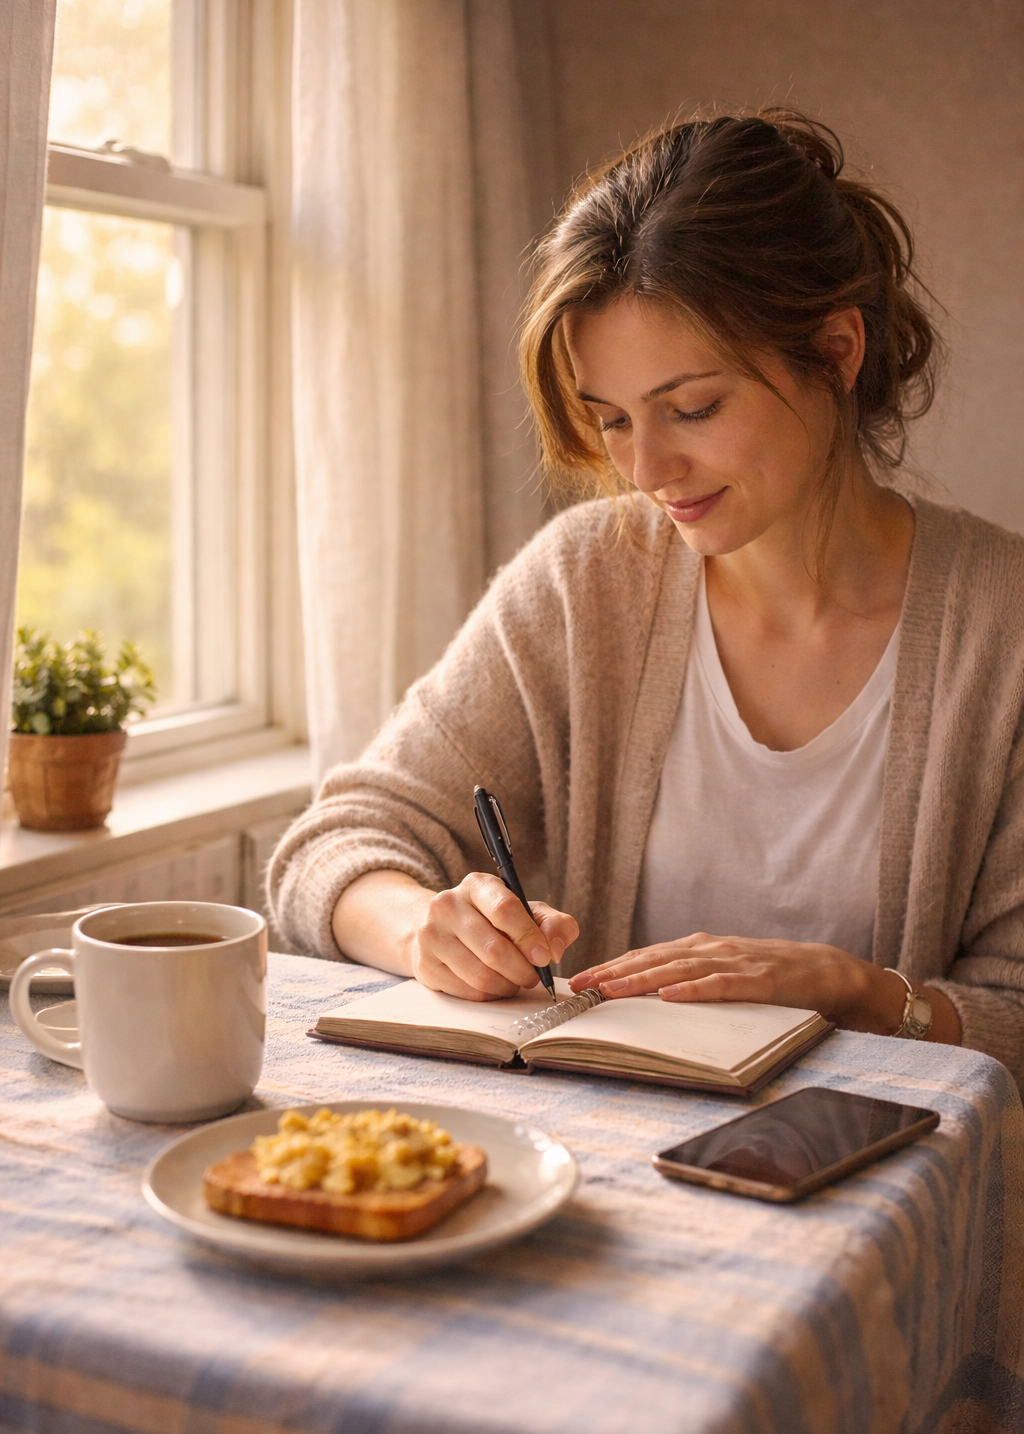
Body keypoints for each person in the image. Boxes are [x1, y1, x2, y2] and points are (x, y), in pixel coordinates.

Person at [269, 110, 1024, 1089]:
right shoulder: (588, 581)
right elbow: (329, 848)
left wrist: (858, 993)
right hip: (617, 1182)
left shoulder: (1001, 631)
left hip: (888, 1208)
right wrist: (424, 928)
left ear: (837, 351)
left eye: (694, 408)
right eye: (612, 420)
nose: (646, 468)